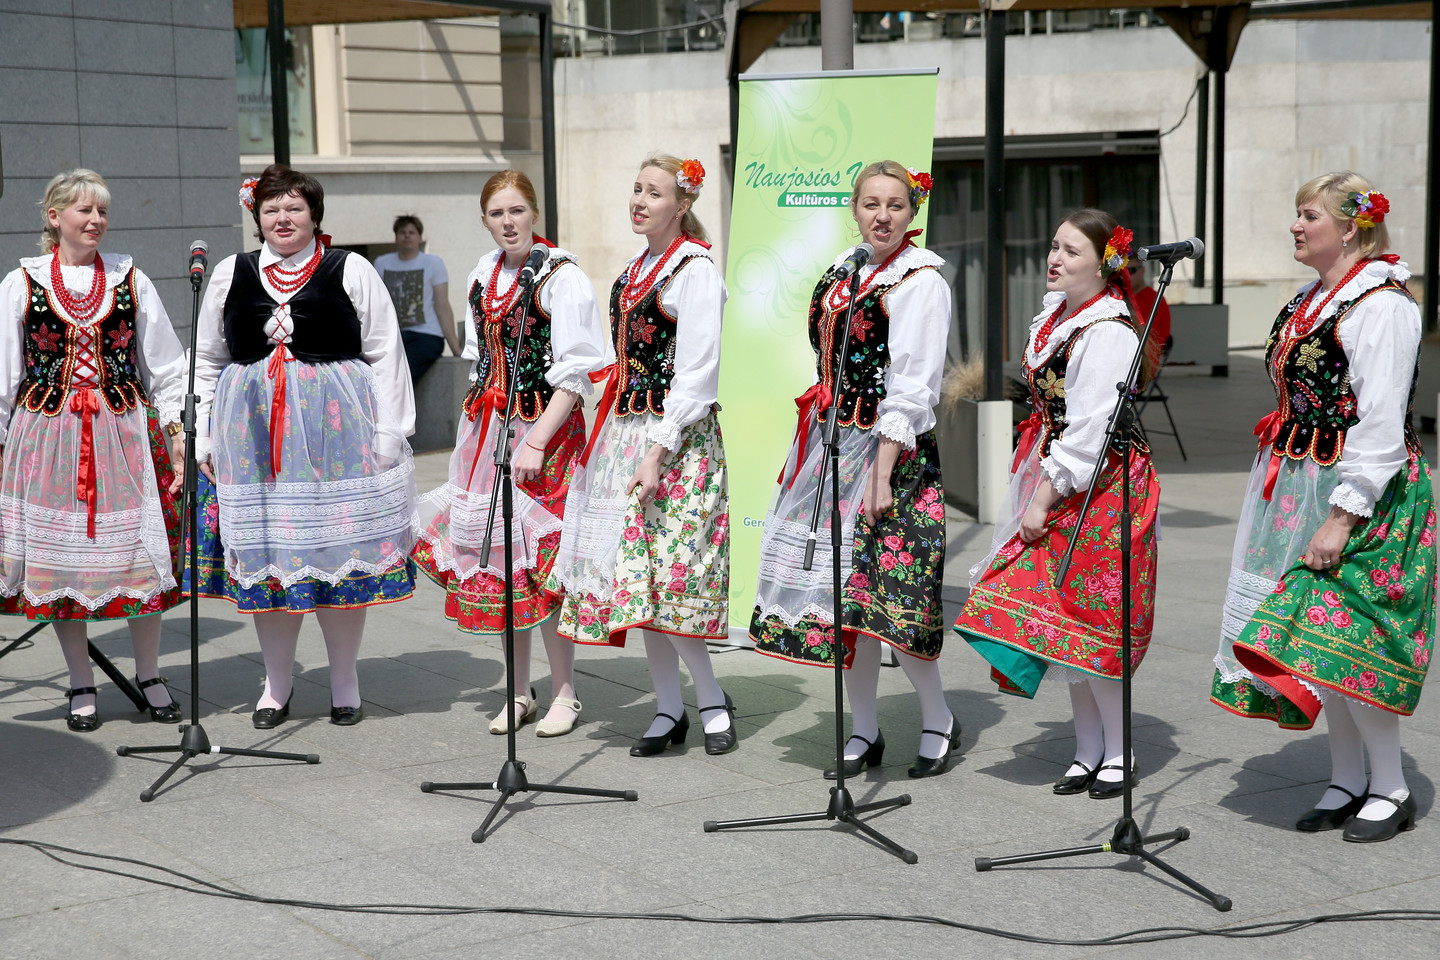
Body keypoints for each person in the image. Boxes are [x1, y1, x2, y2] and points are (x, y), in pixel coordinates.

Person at [1210, 173, 1433, 843]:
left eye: (1308, 215)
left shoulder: (1382, 304)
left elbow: (1381, 422)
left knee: (1350, 638)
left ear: (1351, 226)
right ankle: (1345, 779)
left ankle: (1390, 787)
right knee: (1314, 644)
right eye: (1298, 214)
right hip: (1301, 481)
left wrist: (1342, 516)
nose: (1296, 226)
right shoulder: (1311, 300)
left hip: (1365, 494)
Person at [187, 164, 418, 728]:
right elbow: (209, 356)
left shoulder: (350, 267)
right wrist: (205, 433)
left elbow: (385, 352)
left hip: (338, 431)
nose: (283, 218)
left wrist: (389, 435)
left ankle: (344, 681)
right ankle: (277, 684)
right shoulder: (231, 272)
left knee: (339, 553)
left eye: (294, 207)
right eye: (271, 209)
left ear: (314, 214)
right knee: (269, 557)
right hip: (252, 434)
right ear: (257, 217)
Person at [750, 161, 958, 779]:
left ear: (912, 212)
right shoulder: (846, 268)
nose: (882, 216)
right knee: (845, 601)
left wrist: (881, 472)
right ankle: (864, 728)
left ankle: (939, 717)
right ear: (855, 208)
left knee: (892, 599)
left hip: (891, 454)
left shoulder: (920, 282)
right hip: (831, 444)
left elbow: (914, 386)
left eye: (895, 205)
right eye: (871, 203)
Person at [953, 209, 1160, 800]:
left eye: (1071, 251)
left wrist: (1042, 498)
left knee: (1095, 620)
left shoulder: (1108, 330)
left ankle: (1118, 752)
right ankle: (1087, 748)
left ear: (1103, 265)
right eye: (1054, 246)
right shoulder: (1060, 315)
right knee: (1064, 618)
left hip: (1103, 488)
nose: (1055, 258)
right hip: (1059, 475)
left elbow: (1090, 432)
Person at [548, 154, 736, 757]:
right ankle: (668, 707)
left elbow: (698, 372)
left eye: (654, 192)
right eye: (637, 189)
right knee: (641, 580)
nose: (640, 201)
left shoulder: (694, 270)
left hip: (676, 441)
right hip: (627, 433)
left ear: (682, 205)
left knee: (672, 575)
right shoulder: (634, 270)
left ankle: (710, 699)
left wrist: (656, 449)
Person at [414, 171, 605, 737]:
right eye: (497, 214)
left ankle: (566, 692)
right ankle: (519, 690)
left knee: (544, 566)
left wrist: (536, 440)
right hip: (490, 432)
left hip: (546, 432)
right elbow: (482, 359)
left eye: (517, 210)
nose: (509, 222)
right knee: (501, 565)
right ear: (485, 220)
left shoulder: (561, 276)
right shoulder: (483, 274)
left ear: (535, 214)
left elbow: (576, 375)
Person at [0, 169, 189, 731]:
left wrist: (177, 434)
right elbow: (3, 375)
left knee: (138, 556)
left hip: (124, 434)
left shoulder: (132, 278)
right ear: (54, 216)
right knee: (62, 563)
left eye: (102, 211)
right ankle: (81, 681)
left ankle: (150, 674)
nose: (96, 220)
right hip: (47, 438)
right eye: (84, 210)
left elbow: (167, 367)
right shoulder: (21, 284)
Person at [372, 214, 461, 386]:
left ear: (420, 238)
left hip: (426, 336)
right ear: (395, 237)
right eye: (402, 232)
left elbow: (442, 306)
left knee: (401, 377)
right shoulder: (382, 263)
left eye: (412, 232)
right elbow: (376, 306)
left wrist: (456, 349)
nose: (407, 236)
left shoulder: (433, 263)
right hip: (394, 336)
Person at [1127, 256, 1171, 374]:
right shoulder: (1120, 297)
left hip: (1142, 364)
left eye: (1131, 270)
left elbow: (1139, 334)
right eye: (1122, 272)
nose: (1126, 275)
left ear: (1142, 270)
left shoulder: (1153, 299)